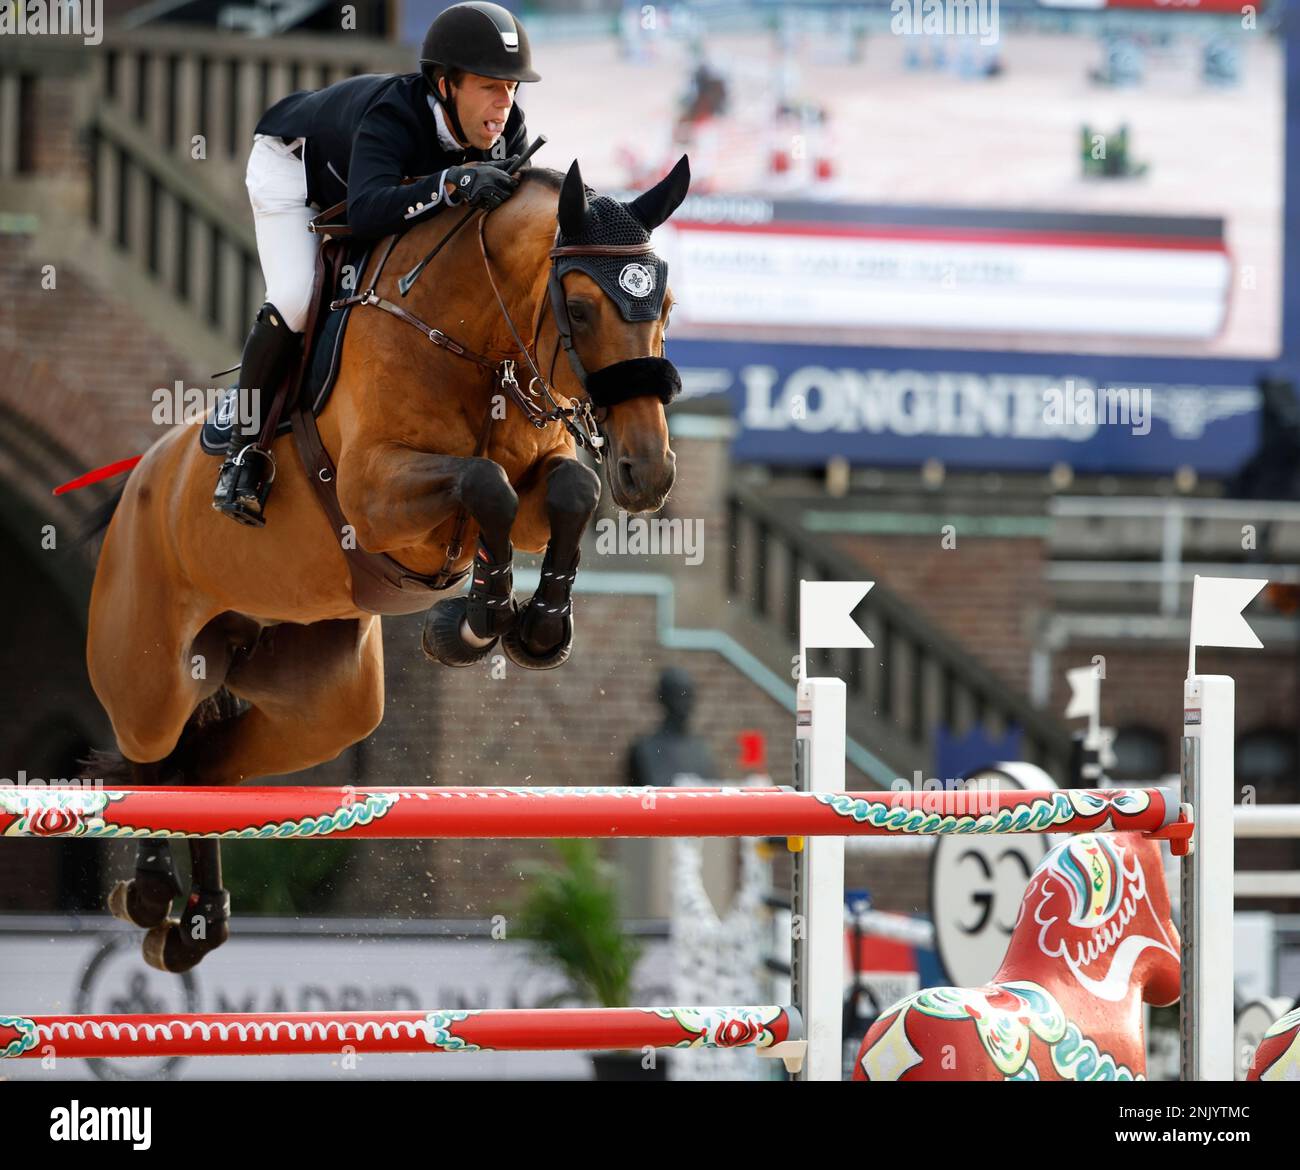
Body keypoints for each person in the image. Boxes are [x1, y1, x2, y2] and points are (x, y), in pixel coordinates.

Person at [213, 1, 539, 526]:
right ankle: (243, 454)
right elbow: (366, 212)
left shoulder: (507, 129)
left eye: (513, 88)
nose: (505, 104)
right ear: (445, 84)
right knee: (296, 297)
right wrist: (450, 183)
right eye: (490, 86)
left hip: (370, 189)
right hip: (295, 172)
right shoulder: (395, 113)